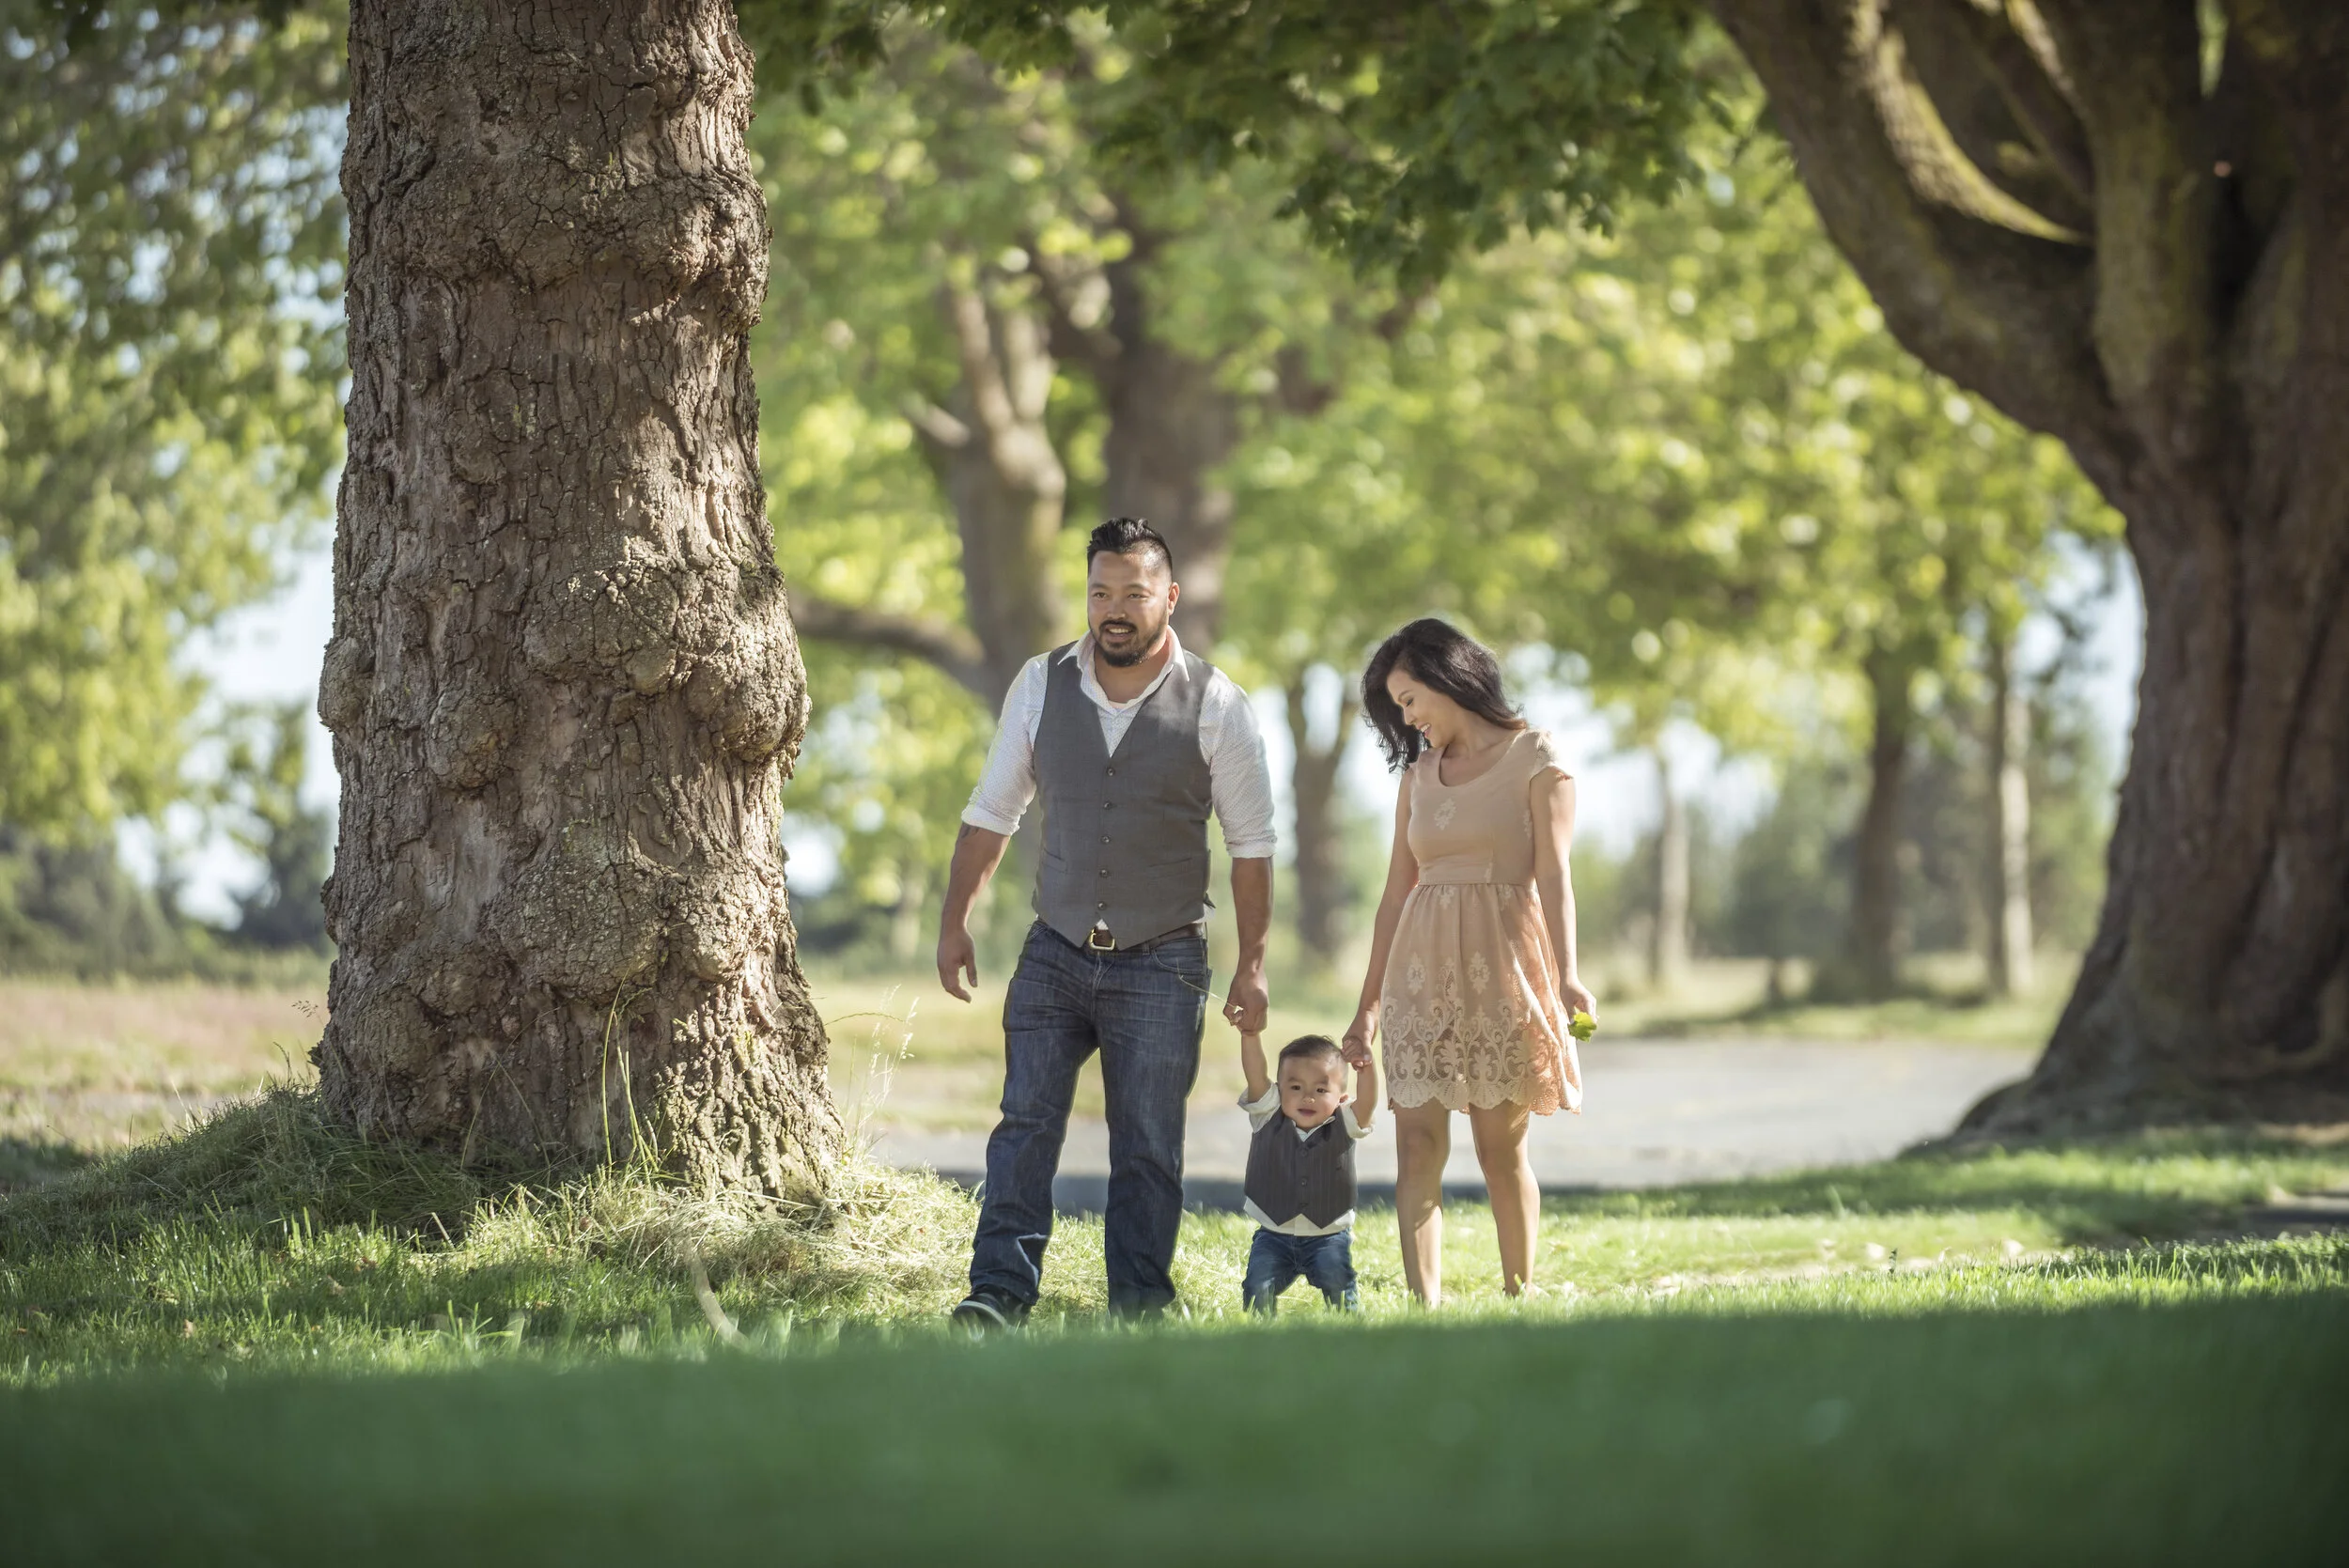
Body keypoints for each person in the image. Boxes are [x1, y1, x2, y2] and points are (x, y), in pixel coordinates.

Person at [937, 518, 1276, 1327]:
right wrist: (955, 921)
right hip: (1053, 946)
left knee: (1149, 1144)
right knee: (1024, 1125)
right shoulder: (1039, 682)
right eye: (1099, 592)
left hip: (1164, 958)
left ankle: (1139, 1304)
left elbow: (1254, 846)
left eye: (1132, 593)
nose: (1113, 609)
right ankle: (999, 1292)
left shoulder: (1219, 703)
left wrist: (1253, 963)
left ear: (1170, 596)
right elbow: (992, 814)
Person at [1343, 617, 1595, 1305]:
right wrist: (1365, 1009)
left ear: (1447, 678)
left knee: (1498, 1146)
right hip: (1418, 976)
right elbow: (1394, 898)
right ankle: (1426, 1305)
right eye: (1398, 707)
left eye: (1409, 699)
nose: (1408, 718)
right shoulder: (1418, 776)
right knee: (1417, 1145)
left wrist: (1569, 973)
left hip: (1504, 970)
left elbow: (1555, 878)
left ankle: (1520, 1293)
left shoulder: (1536, 757)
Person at [1237, 1031, 1377, 1315]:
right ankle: (1260, 1336)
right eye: (1296, 1087)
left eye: (1321, 1090)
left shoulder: (1345, 1123)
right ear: (1279, 1090)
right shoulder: (1267, 1114)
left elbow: (1367, 1104)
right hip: (1273, 1234)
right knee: (1256, 1288)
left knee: (1338, 1283)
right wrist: (1250, 1035)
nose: (1308, 1097)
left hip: (1329, 1235)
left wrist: (1367, 1069)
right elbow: (1255, 1074)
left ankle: (1350, 1329)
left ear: (1341, 1098)